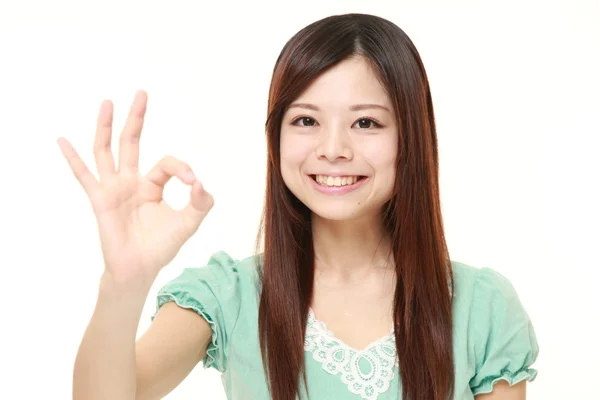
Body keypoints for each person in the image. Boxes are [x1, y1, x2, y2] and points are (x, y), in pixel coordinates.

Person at [59, 13, 539, 400]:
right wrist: (123, 284)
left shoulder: (482, 307)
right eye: (306, 119)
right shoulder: (228, 296)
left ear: (411, 139)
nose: (333, 148)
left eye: (367, 123)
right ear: (276, 137)